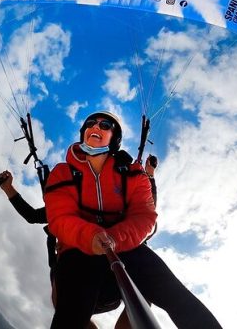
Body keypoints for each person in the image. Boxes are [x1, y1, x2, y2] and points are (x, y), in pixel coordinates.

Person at [44, 111, 223, 329]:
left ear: (115, 138)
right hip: (79, 250)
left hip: (125, 247)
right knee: (70, 315)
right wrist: (91, 237)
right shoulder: (63, 172)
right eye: (90, 123)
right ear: (83, 133)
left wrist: (114, 238)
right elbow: (60, 216)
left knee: (177, 296)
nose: (96, 127)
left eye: (105, 125)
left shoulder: (132, 173)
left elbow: (144, 215)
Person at [0, 149, 158, 329]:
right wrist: (8, 188)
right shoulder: (66, 209)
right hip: (74, 278)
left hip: (111, 275)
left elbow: (145, 210)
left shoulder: (117, 207)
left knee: (144, 290)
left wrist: (149, 175)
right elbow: (33, 215)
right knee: (68, 311)